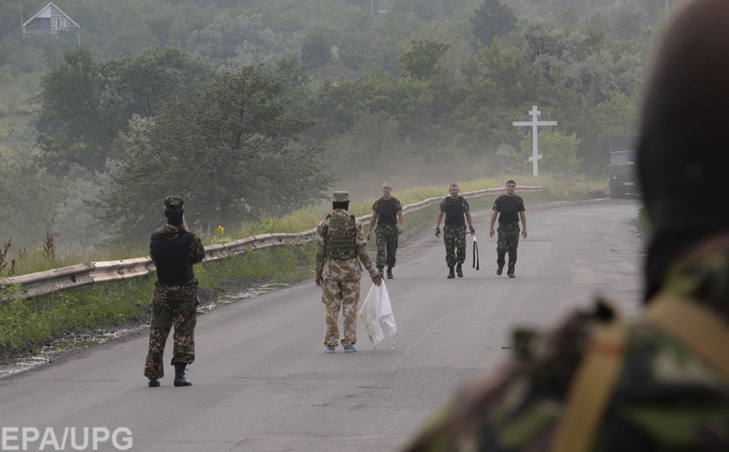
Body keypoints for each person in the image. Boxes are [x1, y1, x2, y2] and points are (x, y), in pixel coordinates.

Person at [402, 0, 729, 450]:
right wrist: (478, 227)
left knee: (510, 255)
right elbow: (488, 214)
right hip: (485, 232)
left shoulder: (559, 413)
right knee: (496, 255)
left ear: (653, 179)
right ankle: (486, 265)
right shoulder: (490, 198)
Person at [144, 196, 205, 388]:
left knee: (158, 332)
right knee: (183, 331)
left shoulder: (155, 237)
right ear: (181, 215)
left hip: (162, 289)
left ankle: (153, 375)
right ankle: (179, 374)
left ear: (166, 215)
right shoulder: (189, 238)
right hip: (185, 290)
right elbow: (198, 257)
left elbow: (154, 256)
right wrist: (185, 231)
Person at [315, 191, 382, 353]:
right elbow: (362, 250)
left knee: (331, 308)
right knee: (350, 308)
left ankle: (330, 343)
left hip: (330, 274)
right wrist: (372, 271)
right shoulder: (355, 224)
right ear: (347, 205)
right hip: (351, 274)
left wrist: (318, 273)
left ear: (333, 205)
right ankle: (349, 343)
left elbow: (319, 252)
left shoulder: (324, 225)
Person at [434, 184, 475, 279]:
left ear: (458, 190)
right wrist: (437, 227)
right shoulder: (445, 202)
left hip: (460, 227)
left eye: (456, 190)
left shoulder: (462, 201)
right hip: (449, 228)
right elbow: (440, 214)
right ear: (449, 191)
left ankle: (459, 266)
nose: (454, 191)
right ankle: (451, 270)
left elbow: (467, 214)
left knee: (461, 247)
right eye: (452, 190)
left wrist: (471, 226)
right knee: (450, 249)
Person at [489, 179, 527, 278]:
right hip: (503, 227)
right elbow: (494, 213)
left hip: (514, 227)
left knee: (513, 250)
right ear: (506, 187)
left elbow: (522, 214)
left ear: (515, 188)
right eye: (509, 186)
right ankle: (500, 264)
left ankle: (511, 270)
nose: (510, 188)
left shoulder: (518, 200)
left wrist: (524, 228)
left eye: (512, 186)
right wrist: (491, 227)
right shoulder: (500, 199)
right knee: (501, 248)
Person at [367, 182, 405, 280]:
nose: (386, 190)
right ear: (382, 190)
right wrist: (369, 230)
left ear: (391, 190)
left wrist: (401, 226)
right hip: (381, 229)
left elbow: (400, 214)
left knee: (391, 250)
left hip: (392, 228)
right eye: (385, 188)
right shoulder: (378, 203)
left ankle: (389, 269)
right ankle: (380, 269)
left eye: (388, 188)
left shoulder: (395, 202)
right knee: (380, 249)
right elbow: (373, 217)